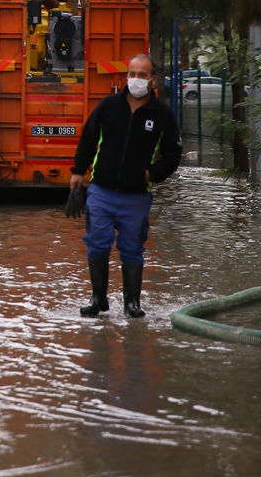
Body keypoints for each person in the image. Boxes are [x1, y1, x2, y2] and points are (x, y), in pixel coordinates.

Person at [70, 54, 182, 318]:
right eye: (132, 74)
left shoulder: (162, 115)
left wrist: (150, 174)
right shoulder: (108, 106)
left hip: (136, 196)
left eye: (142, 75)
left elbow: (173, 155)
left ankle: (132, 302)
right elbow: (88, 138)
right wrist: (78, 171)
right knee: (97, 242)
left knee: (132, 248)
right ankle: (98, 299)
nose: (136, 79)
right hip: (101, 190)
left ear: (153, 80)